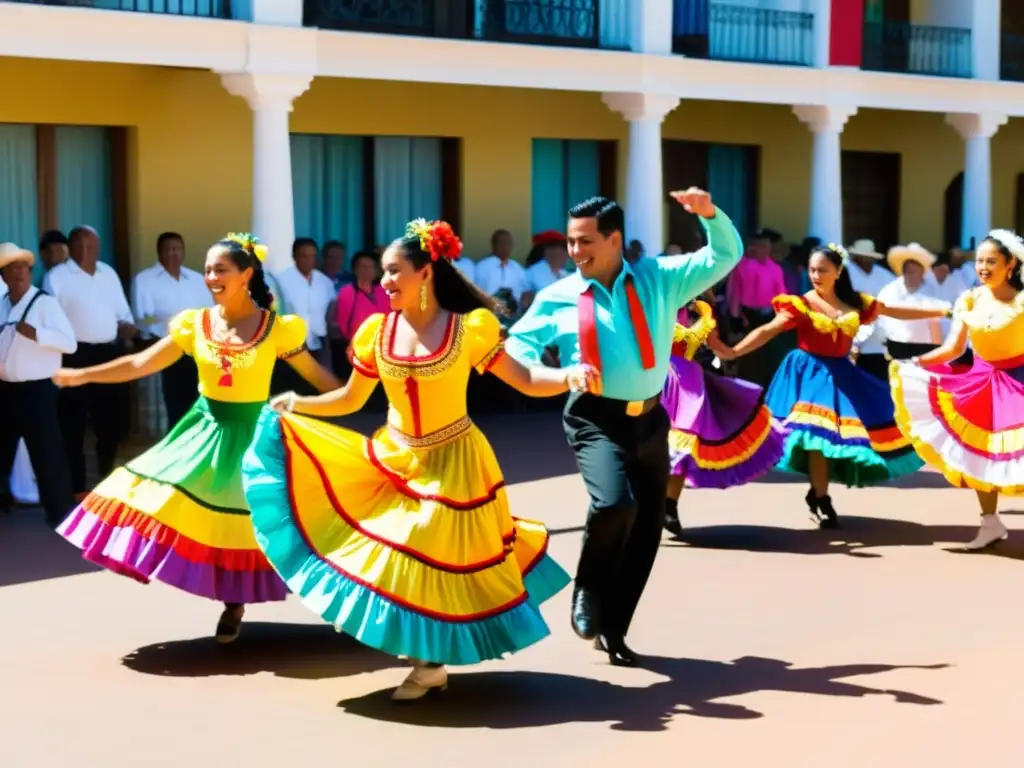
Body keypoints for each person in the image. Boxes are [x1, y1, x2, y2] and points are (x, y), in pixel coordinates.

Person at [241, 219, 590, 701]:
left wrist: (568, 375)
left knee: (429, 547)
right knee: (389, 548)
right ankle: (427, 662)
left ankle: (428, 662)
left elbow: (526, 379)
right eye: (382, 272)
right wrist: (297, 404)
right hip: (395, 456)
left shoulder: (470, 329)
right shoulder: (375, 331)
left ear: (426, 272)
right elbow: (348, 398)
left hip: (456, 461)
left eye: (394, 271)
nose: (384, 281)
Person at [54, 233, 339, 642]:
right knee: (168, 501)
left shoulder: (276, 329)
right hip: (203, 432)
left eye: (220, 269)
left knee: (263, 522)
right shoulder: (196, 325)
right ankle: (231, 603)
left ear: (246, 275)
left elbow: (318, 379)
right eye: (207, 270)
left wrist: (359, 394)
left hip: (256, 436)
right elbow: (139, 362)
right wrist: (81, 376)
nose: (211, 277)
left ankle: (249, 605)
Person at [505, 189, 743, 666]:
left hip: (652, 419)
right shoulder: (559, 296)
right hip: (593, 416)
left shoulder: (661, 278)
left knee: (647, 527)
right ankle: (587, 592)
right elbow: (517, 347)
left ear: (614, 240)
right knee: (614, 503)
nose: (575, 252)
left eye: (585, 241)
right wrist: (556, 374)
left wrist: (710, 214)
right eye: (571, 242)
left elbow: (726, 254)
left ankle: (615, 628)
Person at [721, 243, 949, 528]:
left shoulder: (854, 304)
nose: (816, 275)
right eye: (813, 270)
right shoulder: (801, 304)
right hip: (808, 372)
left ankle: (818, 494)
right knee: (818, 435)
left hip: (842, 373)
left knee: (855, 430)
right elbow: (768, 330)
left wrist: (941, 312)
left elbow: (892, 310)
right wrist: (733, 351)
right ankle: (822, 496)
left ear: (838, 272)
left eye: (823, 270)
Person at [890, 230, 1024, 550]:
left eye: (992, 261)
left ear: (1011, 265)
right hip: (981, 382)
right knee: (982, 455)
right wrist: (917, 361)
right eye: (979, 260)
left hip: (1019, 379)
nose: (983, 266)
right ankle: (990, 523)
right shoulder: (970, 298)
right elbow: (952, 348)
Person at [661, 299, 787, 537]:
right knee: (655, 445)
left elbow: (721, 348)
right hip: (656, 380)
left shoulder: (702, 311)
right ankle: (650, 504)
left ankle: (669, 505)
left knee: (683, 449)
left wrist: (738, 351)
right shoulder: (657, 300)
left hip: (690, 386)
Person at [43, 226, 139, 498]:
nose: (88, 253)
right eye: (82, 247)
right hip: (74, 355)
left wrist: (127, 327)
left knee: (112, 421)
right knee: (72, 425)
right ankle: (76, 487)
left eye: (92, 247)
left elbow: (123, 312)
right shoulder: (57, 277)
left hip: (108, 354)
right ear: (71, 249)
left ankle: (107, 479)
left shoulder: (108, 273)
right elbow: (50, 318)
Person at [0, 243, 76, 526]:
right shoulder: (2, 303)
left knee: (46, 452)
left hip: (37, 391)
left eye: (23, 268)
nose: (19, 273)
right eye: (12, 269)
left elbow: (69, 343)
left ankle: (59, 513)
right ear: (3, 276)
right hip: (6, 390)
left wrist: (37, 333)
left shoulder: (45, 303)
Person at [132, 232, 212, 426]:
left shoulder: (196, 279)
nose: (173, 253)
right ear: (159, 251)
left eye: (177, 248)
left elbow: (209, 313)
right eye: (168, 248)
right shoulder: (144, 280)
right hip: (165, 347)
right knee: (172, 405)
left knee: (197, 402)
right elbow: (141, 319)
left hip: (196, 350)